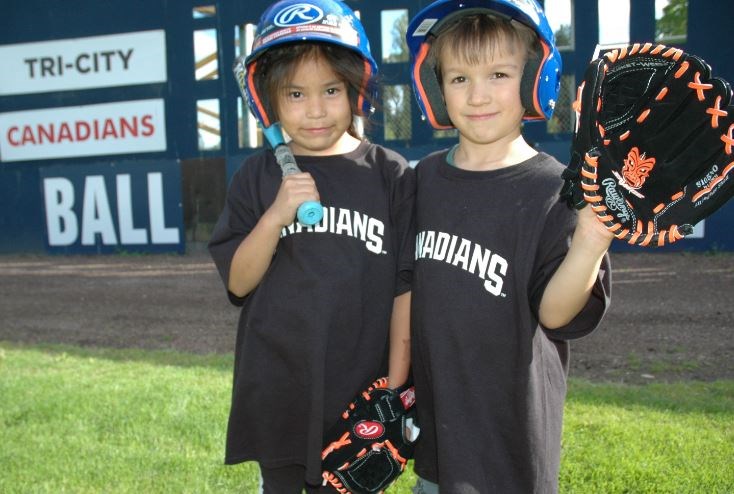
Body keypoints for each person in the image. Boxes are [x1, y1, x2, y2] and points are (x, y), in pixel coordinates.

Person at [404, 1, 614, 492]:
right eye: (458, 79)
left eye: (499, 73)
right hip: (438, 448)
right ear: (434, 90)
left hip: (511, 450)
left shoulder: (556, 190)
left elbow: (558, 316)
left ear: (534, 81)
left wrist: (591, 242)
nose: (478, 95)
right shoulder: (423, 181)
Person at [208, 0, 415, 492]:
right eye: (295, 94)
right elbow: (238, 282)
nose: (316, 109)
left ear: (355, 91)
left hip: (360, 389)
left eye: (331, 90)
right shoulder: (258, 177)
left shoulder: (390, 175)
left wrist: (395, 383)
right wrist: (277, 215)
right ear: (269, 101)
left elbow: (406, 286)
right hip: (280, 386)